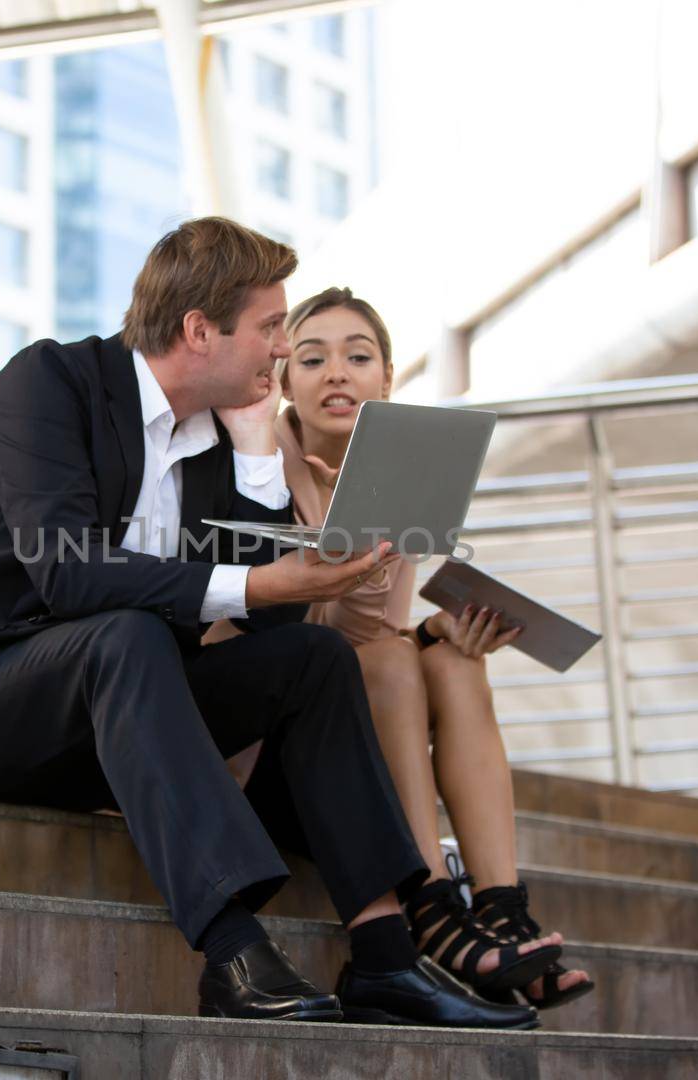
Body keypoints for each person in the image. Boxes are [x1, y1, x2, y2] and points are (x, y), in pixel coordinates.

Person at [0, 219, 539, 1029]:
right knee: (126, 631)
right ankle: (233, 954)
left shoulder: (216, 439)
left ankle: (388, 958)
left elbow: (275, 614)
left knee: (314, 658)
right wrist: (255, 579)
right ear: (198, 330)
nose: (282, 349)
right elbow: (70, 572)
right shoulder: (50, 385)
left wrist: (258, 452)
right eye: (269, 327)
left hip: (110, 722)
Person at [216, 286, 594, 1010]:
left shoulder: (404, 470)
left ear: (386, 378)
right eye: (314, 357)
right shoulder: (254, 456)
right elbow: (294, 650)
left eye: (358, 357)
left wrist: (435, 633)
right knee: (394, 657)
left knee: (453, 658)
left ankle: (502, 910)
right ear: (286, 378)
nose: (337, 373)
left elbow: (371, 637)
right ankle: (430, 907)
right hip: (271, 750)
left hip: (352, 724)